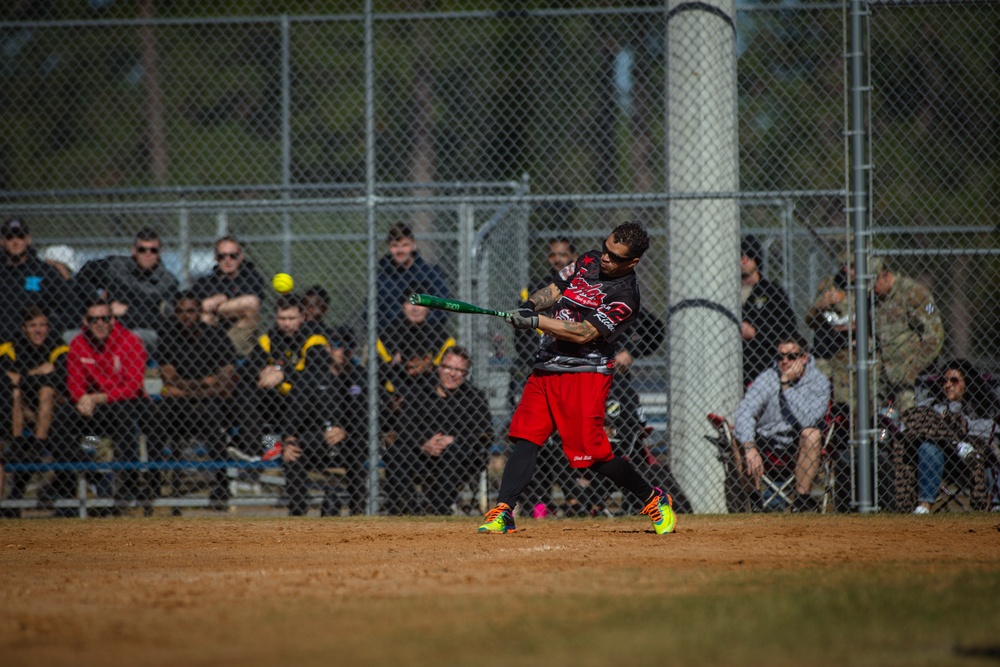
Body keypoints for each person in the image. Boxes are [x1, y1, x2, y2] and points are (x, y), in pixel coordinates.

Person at [479, 221, 677, 535]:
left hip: (585, 374)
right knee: (526, 438)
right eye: (606, 248)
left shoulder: (626, 296)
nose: (605, 258)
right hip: (547, 366)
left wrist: (536, 322)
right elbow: (557, 287)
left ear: (633, 261)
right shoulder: (587, 259)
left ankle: (653, 498)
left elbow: (585, 333)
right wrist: (531, 304)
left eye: (615, 256)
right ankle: (504, 510)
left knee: (592, 457)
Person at [148, 293, 238, 509]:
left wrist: (184, 388)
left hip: (210, 406)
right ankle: (153, 483)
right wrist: (206, 383)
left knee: (210, 414)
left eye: (191, 311)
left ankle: (221, 484)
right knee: (153, 416)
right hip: (178, 408)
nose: (186, 316)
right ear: (175, 314)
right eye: (181, 311)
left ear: (200, 312)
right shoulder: (168, 338)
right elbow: (168, 380)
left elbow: (226, 386)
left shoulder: (217, 337)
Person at [61, 297, 150, 505]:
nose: (100, 323)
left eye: (105, 318)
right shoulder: (78, 344)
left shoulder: (129, 341)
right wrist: (81, 399)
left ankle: (127, 486)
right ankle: (95, 476)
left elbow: (133, 386)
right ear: (85, 321)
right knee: (61, 421)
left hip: (124, 404)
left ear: (112, 319)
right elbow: (74, 383)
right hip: (93, 409)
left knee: (124, 416)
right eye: (94, 319)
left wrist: (98, 397)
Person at [384, 347, 493, 515]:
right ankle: (413, 509)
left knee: (454, 450)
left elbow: (485, 432)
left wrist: (455, 439)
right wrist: (423, 443)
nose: (452, 374)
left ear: (466, 373)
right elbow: (404, 425)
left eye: (459, 370)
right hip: (422, 451)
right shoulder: (420, 391)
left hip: (461, 455)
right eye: (448, 367)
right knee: (394, 453)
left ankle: (439, 509)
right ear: (439, 367)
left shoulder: (474, 397)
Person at [733, 333, 831, 512]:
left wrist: (786, 387)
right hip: (766, 442)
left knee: (812, 434)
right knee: (739, 436)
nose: (785, 361)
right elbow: (744, 411)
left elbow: (807, 420)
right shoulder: (768, 378)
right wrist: (749, 447)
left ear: (804, 357)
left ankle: (800, 503)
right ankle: (754, 501)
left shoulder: (818, 382)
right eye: (780, 356)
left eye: (791, 356)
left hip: (797, 446)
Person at [235, 294, 330, 458]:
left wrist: (283, 374)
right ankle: (254, 452)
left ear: (302, 317)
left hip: (304, 403)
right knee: (247, 389)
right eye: (281, 318)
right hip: (276, 399)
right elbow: (248, 369)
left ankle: (279, 444)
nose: (286, 323)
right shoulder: (269, 338)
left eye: (291, 318)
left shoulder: (314, 339)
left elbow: (316, 375)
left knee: (303, 389)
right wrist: (263, 371)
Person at [0, 307, 73, 516]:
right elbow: (5, 380)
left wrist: (22, 378)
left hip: (64, 425)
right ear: (24, 328)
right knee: (14, 395)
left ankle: (89, 491)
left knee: (89, 444)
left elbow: (59, 380)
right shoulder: (10, 348)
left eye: (42, 325)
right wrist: (37, 373)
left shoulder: (57, 346)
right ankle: (20, 445)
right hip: (26, 417)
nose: (38, 330)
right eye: (33, 326)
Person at [903, 360, 997, 514]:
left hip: (973, 458)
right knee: (928, 446)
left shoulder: (982, 406)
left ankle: (996, 506)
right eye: (944, 381)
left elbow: (991, 429)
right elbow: (910, 423)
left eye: (954, 381)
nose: (947, 385)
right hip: (941, 456)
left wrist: (956, 423)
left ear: (967, 382)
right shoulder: (933, 404)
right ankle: (924, 507)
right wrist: (947, 426)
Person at [73, 228, 179, 357]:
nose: (147, 254)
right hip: (104, 324)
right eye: (142, 249)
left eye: (153, 250)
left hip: (138, 331)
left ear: (160, 253)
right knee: (71, 336)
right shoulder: (115, 266)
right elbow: (83, 277)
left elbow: (161, 320)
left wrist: (128, 312)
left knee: (135, 338)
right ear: (133, 250)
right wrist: (99, 303)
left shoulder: (167, 282)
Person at [872, 259, 944, 412]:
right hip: (884, 379)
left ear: (884, 276)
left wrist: (914, 370)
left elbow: (934, 335)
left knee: (910, 423)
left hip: (911, 381)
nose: (871, 291)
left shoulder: (913, 293)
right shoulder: (875, 300)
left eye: (873, 285)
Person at [0, 218, 78, 344]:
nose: (15, 241)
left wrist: (47, 328)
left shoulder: (44, 272)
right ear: (2, 241)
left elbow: (73, 309)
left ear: (28, 239)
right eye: (9, 237)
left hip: (36, 346)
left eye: (20, 236)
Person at [191, 235, 266, 358]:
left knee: (251, 302)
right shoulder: (205, 282)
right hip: (212, 333)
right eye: (222, 256)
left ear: (240, 256)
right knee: (204, 316)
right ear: (215, 257)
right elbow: (195, 304)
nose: (227, 260)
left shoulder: (251, 278)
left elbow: (251, 302)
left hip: (238, 334)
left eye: (233, 256)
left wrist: (220, 300)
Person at [740, 235, 797, 386]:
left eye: (750, 255)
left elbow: (788, 327)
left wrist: (756, 333)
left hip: (763, 365)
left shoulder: (772, 292)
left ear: (757, 259)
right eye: (740, 255)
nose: (744, 260)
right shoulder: (727, 293)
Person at [376, 223, 450, 327]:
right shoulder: (382, 275)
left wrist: (420, 323)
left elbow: (443, 308)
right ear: (389, 247)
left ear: (413, 245)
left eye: (405, 245)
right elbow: (370, 312)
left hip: (426, 334)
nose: (400, 250)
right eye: (395, 246)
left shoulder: (430, 273)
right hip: (391, 335)